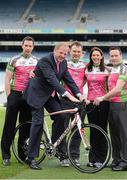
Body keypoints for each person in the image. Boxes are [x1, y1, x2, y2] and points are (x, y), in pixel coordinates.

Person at [24, 42, 83, 170]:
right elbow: (52, 79)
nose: (62, 55)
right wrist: (68, 95)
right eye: (60, 53)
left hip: (48, 95)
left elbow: (68, 79)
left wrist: (79, 94)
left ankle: (55, 146)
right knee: (38, 122)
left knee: (61, 116)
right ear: (55, 51)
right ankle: (31, 158)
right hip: (36, 95)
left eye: (65, 53)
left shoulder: (63, 63)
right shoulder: (45, 61)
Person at [1, 36, 38, 166]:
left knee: (25, 127)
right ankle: (6, 155)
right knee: (9, 126)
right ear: (22, 46)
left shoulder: (36, 61)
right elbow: (7, 79)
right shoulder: (14, 60)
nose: (28, 48)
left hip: (29, 97)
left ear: (33, 47)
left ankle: (22, 156)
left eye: (30, 46)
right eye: (26, 45)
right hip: (15, 95)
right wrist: (9, 96)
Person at [94, 46, 127, 171]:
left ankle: (125, 162)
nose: (114, 58)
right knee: (114, 134)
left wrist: (102, 98)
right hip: (112, 104)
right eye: (112, 56)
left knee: (123, 134)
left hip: (122, 103)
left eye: (116, 55)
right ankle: (117, 159)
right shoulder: (113, 69)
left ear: (121, 56)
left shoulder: (123, 68)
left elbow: (117, 89)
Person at [61, 41, 86, 166]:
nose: (76, 53)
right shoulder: (64, 64)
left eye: (78, 52)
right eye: (74, 51)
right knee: (63, 128)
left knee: (78, 129)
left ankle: (74, 156)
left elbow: (86, 80)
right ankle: (63, 156)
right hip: (65, 100)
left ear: (82, 53)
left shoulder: (85, 66)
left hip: (79, 101)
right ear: (70, 51)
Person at [85, 47, 110, 168]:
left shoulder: (107, 70)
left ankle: (102, 159)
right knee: (93, 130)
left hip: (103, 103)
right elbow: (80, 83)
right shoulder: (87, 69)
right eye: (93, 55)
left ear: (101, 56)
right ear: (91, 57)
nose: (95, 57)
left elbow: (111, 86)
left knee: (102, 130)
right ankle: (92, 159)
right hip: (90, 103)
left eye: (97, 55)